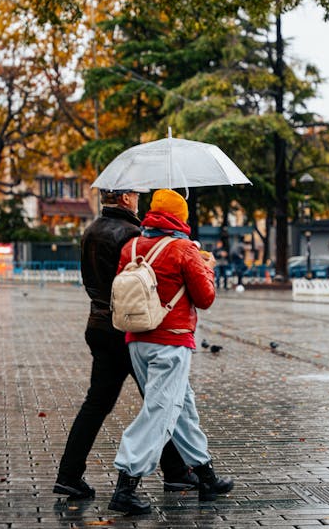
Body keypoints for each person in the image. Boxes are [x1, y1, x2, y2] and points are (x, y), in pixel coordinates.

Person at [53, 189, 197, 501]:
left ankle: (69, 474)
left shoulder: (90, 231)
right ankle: (174, 474)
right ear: (125, 198)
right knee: (161, 401)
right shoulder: (132, 234)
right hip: (130, 327)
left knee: (97, 404)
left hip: (98, 324)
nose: (138, 199)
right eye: (135, 194)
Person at [108, 189, 234, 516]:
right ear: (181, 217)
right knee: (162, 409)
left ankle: (205, 474)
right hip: (172, 340)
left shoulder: (132, 246)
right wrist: (207, 266)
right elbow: (204, 298)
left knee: (182, 406)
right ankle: (127, 483)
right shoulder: (183, 248)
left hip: (137, 337)